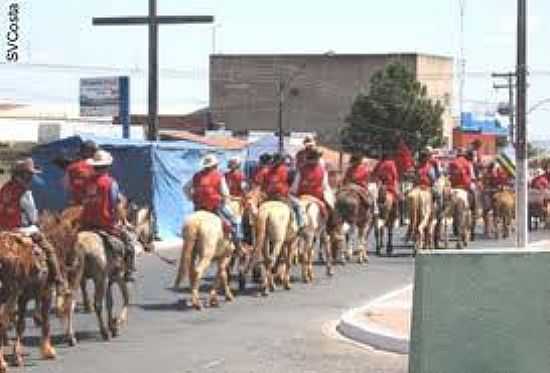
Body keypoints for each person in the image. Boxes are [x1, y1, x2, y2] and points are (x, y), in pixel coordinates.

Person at [0, 158, 65, 290]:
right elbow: (33, 216)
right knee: (48, 248)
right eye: (29, 174)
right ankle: (58, 278)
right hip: (20, 230)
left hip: (3, 229)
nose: (31, 177)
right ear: (22, 174)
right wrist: (37, 222)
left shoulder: (4, 188)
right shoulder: (24, 192)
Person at [80, 150, 136, 282]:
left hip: (86, 224)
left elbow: (83, 200)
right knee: (129, 244)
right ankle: (128, 271)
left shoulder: (86, 182)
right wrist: (125, 221)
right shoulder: (110, 183)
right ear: (107, 167)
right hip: (105, 224)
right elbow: (117, 205)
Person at [185, 154, 244, 251]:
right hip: (215, 206)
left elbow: (186, 188)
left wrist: (192, 199)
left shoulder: (196, 176)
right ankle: (238, 243)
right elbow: (225, 193)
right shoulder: (219, 176)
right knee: (236, 220)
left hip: (198, 207)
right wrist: (226, 201)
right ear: (214, 165)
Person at [264, 153, 305, 230]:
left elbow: (265, 184)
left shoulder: (268, 171)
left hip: (269, 196)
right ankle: (300, 223)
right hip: (282, 195)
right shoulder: (285, 169)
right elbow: (290, 179)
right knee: (298, 205)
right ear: (282, 161)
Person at [65, 140, 97, 205]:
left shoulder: (72, 167)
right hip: (91, 205)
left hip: (75, 204)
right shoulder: (96, 167)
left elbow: (66, 186)